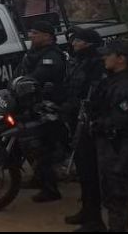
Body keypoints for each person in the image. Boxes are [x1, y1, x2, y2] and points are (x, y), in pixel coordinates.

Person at [91, 40, 128, 233]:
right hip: (110, 142)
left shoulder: (126, 85)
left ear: (121, 59)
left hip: (118, 144)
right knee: (110, 190)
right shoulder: (113, 80)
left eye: (109, 54)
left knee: (117, 191)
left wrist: (98, 123)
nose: (104, 57)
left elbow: (120, 120)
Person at [16, 20, 67, 203]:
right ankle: (39, 178)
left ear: (47, 37)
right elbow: (20, 75)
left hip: (49, 108)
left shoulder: (51, 56)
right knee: (28, 143)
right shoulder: (34, 53)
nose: (31, 36)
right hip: (34, 106)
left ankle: (51, 188)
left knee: (41, 147)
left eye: (35, 33)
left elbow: (36, 78)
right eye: (31, 32)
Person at [63, 28, 106, 231]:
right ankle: (87, 211)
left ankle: (95, 220)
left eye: (78, 41)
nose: (73, 44)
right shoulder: (78, 60)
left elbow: (95, 94)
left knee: (91, 172)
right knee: (83, 171)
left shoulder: (98, 64)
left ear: (88, 44)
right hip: (77, 121)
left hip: (90, 124)